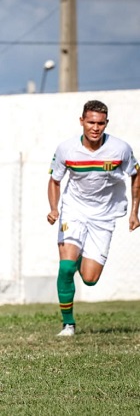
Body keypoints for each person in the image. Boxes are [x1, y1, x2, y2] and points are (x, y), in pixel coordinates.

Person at [47, 100, 139, 337]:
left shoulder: (120, 149)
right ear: (82, 122)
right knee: (66, 268)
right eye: (91, 122)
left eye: (100, 123)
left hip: (104, 216)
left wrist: (134, 212)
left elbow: (136, 175)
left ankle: (80, 260)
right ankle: (68, 324)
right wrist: (54, 208)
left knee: (89, 279)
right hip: (73, 211)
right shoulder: (66, 149)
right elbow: (55, 180)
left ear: (106, 123)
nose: (95, 128)